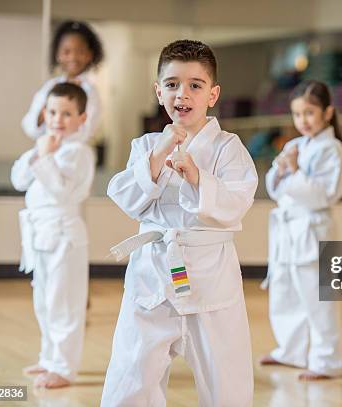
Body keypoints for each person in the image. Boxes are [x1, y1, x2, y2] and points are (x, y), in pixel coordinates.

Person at [100, 40, 258, 407]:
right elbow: (125, 196)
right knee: (131, 374)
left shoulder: (227, 147)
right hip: (152, 276)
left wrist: (197, 178)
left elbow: (237, 202)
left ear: (213, 94)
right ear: (158, 92)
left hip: (208, 281)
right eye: (171, 84)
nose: (182, 94)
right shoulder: (146, 145)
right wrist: (159, 154)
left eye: (195, 85)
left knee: (226, 380)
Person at [260, 80, 342, 380]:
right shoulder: (294, 145)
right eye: (298, 115)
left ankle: (326, 359)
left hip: (313, 229)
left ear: (327, 112)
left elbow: (324, 194)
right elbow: (274, 187)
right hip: (288, 230)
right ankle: (290, 350)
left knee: (316, 297)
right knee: (285, 292)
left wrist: (295, 170)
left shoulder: (333, 149)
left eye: (310, 113)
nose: (303, 121)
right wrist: (283, 169)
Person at [11, 83, 95, 388]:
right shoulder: (44, 145)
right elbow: (19, 179)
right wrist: (40, 152)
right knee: (43, 301)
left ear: (82, 118)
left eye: (67, 113)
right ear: (44, 112)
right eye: (53, 111)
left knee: (64, 303)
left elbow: (61, 192)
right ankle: (48, 358)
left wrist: (45, 158)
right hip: (39, 236)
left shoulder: (79, 152)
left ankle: (63, 367)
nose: (58, 119)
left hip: (64, 237)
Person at [22, 20, 103, 143]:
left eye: (80, 52)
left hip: (72, 155)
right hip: (45, 149)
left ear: (90, 55)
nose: (73, 57)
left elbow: (86, 132)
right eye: (66, 52)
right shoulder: (50, 87)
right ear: (57, 55)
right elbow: (29, 127)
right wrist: (49, 106)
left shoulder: (90, 91)